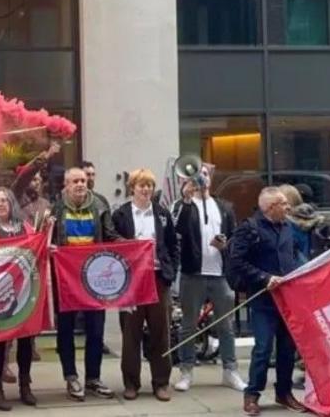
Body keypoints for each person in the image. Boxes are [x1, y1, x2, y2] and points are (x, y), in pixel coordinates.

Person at [228, 186, 305, 416]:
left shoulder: (288, 227)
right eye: (283, 203)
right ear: (271, 207)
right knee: (263, 348)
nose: (288, 206)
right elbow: (237, 261)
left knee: (287, 348)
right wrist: (264, 278)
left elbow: (293, 255)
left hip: (287, 298)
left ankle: (284, 392)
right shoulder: (249, 229)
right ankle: (252, 394)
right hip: (263, 298)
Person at [171, 166, 245, 392]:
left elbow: (234, 237)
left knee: (226, 325)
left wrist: (226, 246)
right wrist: (186, 199)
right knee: (188, 326)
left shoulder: (224, 207)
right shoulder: (182, 205)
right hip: (193, 273)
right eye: (197, 175)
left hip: (219, 273)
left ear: (210, 179)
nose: (201, 179)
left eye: (204, 174)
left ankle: (230, 370)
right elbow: (178, 230)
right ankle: (186, 371)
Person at [50, 167, 120, 401]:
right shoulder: (56, 208)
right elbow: (46, 237)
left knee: (96, 330)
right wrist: (49, 247)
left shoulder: (100, 204)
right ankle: (71, 377)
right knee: (66, 330)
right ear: (66, 185)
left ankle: (93, 378)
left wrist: (135, 246)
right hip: (66, 279)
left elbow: (110, 235)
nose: (80, 184)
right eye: (75, 181)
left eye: (83, 180)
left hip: (95, 278)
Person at [111, 170, 177, 402]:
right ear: (132, 188)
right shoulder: (120, 214)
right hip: (131, 282)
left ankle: (161, 383)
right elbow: (112, 244)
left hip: (158, 278)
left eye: (149, 185)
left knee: (161, 333)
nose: (146, 189)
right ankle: (131, 383)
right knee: (131, 333)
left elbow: (172, 245)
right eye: (141, 185)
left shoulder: (162, 214)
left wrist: (170, 274)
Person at [0, 187, 40, 410]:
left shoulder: (26, 227)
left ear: (12, 203)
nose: (0, 204)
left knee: (25, 340)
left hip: (23, 290)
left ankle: (25, 385)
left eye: (4, 200)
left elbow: (35, 248)